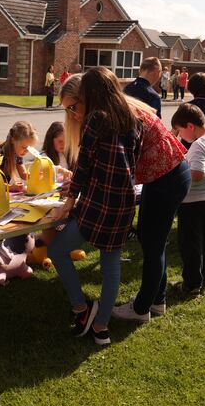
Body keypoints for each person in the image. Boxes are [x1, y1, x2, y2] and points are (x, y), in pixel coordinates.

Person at [48, 67, 143, 345]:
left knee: (57, 249)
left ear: (92, 93)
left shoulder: (95, 120)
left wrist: (68, 204)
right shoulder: (133, 119)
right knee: (110, 265)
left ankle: (81, 307)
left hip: (99, 205)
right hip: (124, 205)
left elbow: (85, 167)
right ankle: (101, 327)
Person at [110, 97, 190, 322]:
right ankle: (157, 300)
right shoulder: (128, 108)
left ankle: (140, 308)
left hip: (166, 178)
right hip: (167, 176)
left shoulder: (121, 115)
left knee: (153, 245)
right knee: (150, 240)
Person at [169, 103, 205, 296]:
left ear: (190, 126)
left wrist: (178, 170)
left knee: (191, 243)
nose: (180, 135)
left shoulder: (198, 145)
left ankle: (192, 284)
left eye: (179, 130)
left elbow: (197, 173)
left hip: (193, 200)